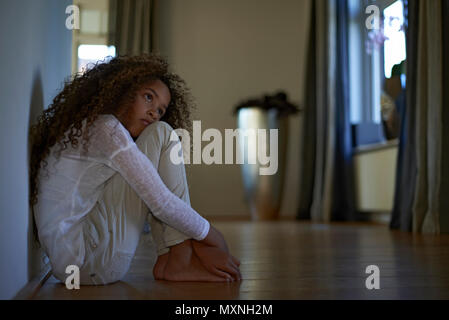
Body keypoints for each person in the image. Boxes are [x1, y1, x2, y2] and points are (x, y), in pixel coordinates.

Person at [29, 54, 241, 285]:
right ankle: (179, 257)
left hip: (78, 259)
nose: (154, 112)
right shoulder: (106, 130)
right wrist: (213, 237)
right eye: (148, 97)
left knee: (155, 142)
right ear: (122, 90)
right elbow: (160, 201)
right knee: (162, 134)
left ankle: (174, 256)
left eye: (161, 110)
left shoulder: (91, 127)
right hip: (89, 263)